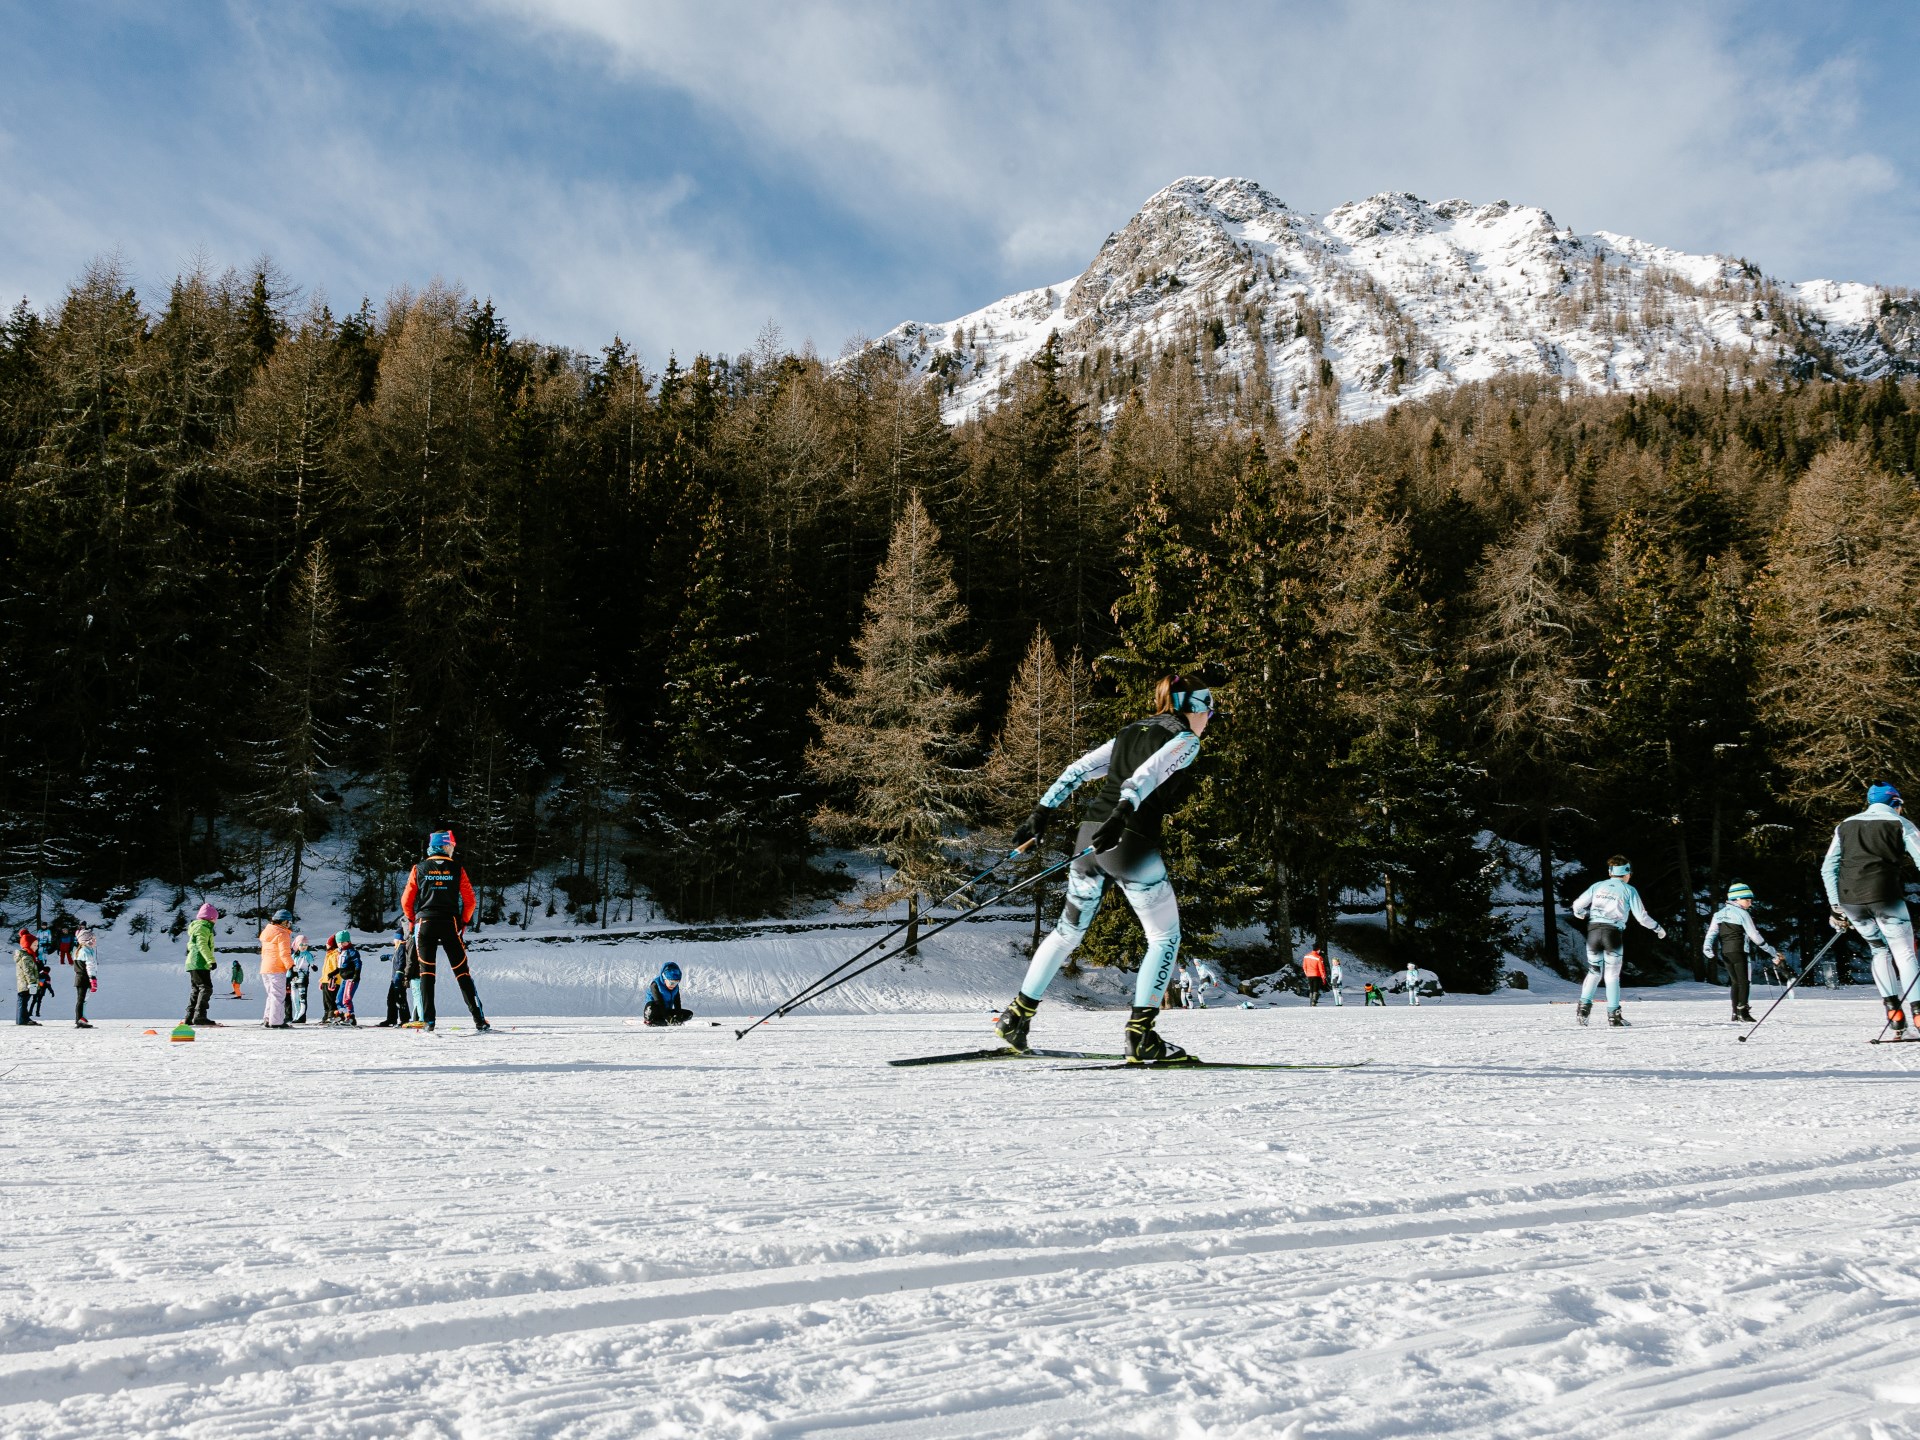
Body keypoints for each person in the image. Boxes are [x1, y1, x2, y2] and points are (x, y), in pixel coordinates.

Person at [995, 674, 1214, 1064]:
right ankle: (1141, 1036)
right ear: (1193, 707)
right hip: (1127, 841)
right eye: (1209, 711)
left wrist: (1041, 812)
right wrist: (1122, 814)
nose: (1209, 720)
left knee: (1066, 932)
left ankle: (1016, 1017)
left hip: (1089, 838)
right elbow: (1147, 775)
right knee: (1164, 937)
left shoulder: (1131, 731)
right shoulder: (1186, 740)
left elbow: (1079, 770)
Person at [1822, 782, 1920, 1036]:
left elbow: (1828, 868)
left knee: (1879, 950)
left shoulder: (1844, 825)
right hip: (1886, 897)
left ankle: (1894, 1015)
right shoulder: (1900, 824)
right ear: (1895, 803)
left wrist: (1836, 906)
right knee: (1904, 953)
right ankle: (1919, 1014)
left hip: (1851, 900)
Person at [399, 830, 490, 1032]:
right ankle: (479, 1020)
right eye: (452, 846)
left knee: (426, 972)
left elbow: (406, 901)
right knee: (462, 971)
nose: (453, 849)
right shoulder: (457, 868)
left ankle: (429, 1021)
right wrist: (463, 921)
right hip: (450, 922)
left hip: (424, 923)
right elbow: (470, 900)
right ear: (446, 846)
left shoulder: (418, 868)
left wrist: (413, 920)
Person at [1570, 856, 1666, 1028]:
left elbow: (1577, 905)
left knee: (1594, 972)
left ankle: (1583, 1011)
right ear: (1627, 873)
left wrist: (1581, 914)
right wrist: (1658, 928)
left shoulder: (1598, 886)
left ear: (1610, 872)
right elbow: (1642, 918)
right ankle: (1614, 1017)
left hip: (1593, 931)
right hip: (1612, 934)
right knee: (1612, 976)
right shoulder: (1629, 890)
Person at [1703, 882, 1779, 1024]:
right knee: (1744, 982)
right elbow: (1754, 935)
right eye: (1747, 900)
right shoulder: (1743, 914)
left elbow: (1712, 933)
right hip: (1738, 950)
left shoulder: (1719, 914)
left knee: (1735, 982)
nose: (1750, 903)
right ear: (1737, 899)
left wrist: (1707, 947)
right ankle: (1743, 1012)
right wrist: (1770, 950)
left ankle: (1735, 1013)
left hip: (1725, 952)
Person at [185, 903, 221, 1027]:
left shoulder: (197, 926)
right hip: (199, 962)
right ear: (211, 918)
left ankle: (190, 1017)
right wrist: (210, 960)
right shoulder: (203, 927)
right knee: (206, 988)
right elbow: (202, 945)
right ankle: (200, 1016)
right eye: (215, 918)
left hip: (193, 962)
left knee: (196, 989)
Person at [260, 909, 294, 1028]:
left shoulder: (267, 932)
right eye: (289, 922)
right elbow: (284, 953)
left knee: (271, 994)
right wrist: (291, 966)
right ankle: (276, 1021)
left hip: (265, 967)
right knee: (278, 995)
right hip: (277, 968)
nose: (290, 925)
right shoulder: (282, 934)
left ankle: (268, 1019)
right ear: (284, 922)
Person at [378, 926, 410, 1027]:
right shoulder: (398, 948)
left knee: (400, 998)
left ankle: (405, 1019)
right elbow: (396, 959)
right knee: (391, 999)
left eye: (395, 938)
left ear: (399, 939)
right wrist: (388, 957)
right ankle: (391, 1019)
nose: (393, 941)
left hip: (399, 979)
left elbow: (402, 962)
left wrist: (399, 973)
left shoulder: (402, 948)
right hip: (394, 979)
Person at [72, 923, 97, 1029]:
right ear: (86, 941)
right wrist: (93, 979)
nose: (94, 941)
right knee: (81, 1000)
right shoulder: (85, 951)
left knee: (83, 999)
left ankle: (82, 1018)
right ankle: (79, 1020)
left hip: (80, 978)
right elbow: (90, 966)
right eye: (92, 939)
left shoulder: (80, 950)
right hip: (84, 978)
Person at [334, 931, 362, 1025]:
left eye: (343, 942)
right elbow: (341, 967)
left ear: (348, 942)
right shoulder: (341, 953)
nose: (341, 944)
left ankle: (350, 1016)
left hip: (351, 979)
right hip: (345, 979)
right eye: (339, 942)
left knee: (347, 999)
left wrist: (356, 974)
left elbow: (358, 964)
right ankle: (341, 1014)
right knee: (339, 998)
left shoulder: (352, 952)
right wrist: (333, 973)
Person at [14, 929, 41, 1026]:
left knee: (23, 1001)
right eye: (34, 945)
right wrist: (32, 983)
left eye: (37, 945)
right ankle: (22, 1020)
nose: (36, 947)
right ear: (28, 945)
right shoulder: (27, 957)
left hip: (25, 983)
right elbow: (28, 972)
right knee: (23, 1001)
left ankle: (24, 1018)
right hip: (26, 984)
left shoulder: (28, 956)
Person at [289, 935, 313, 1023]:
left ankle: (301, 1016)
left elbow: (312, 963)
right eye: (301, 944)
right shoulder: (294, 955)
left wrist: (313, 966)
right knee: (294, 998)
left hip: (303, 977)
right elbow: (290, 966)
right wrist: (288, 977)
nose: (304, 947)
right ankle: (297, 1014)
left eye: (306, 945)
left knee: (302, 997)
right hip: (294, 978)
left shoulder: (307, 955)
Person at [320, 934, 341, 1024]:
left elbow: (337, 968)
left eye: (328, 943)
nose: (326, 945)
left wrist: (333, 977)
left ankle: (332, 1016)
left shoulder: (336, 954)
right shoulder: (328, 955)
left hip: (333, 980)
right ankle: (326, 1015)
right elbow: (325, 969)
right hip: (326, 980)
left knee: (331, 999)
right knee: (325, 1000)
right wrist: (322, 980)